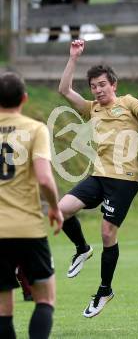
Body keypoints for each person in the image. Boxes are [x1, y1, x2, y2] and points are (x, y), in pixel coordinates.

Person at [58, 39, 138, 318]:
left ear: (113, 85)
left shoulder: (128, 102)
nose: (98, 90)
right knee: (61, 210)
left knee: (107, 233)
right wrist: (73, 58)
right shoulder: (91, 108)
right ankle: (81, 249)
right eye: (93, 86)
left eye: (102, 84)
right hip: (99, 175)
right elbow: (64, 90)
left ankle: (104, 290)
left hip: (125, 180)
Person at [0, 72, 63, 338]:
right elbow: (46, 179)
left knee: (3, 308)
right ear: (24, 98)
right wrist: (55, 208)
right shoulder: (35, 129)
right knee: (45, 298)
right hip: (28, 228)